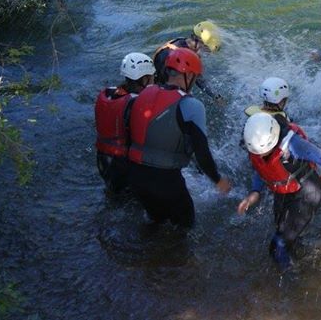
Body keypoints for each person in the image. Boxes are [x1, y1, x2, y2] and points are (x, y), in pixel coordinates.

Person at [237, 112, 321, 271]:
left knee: (278, 244)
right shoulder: (255, 145)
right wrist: (254, 193)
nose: (261, 155)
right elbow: (261, 168)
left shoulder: (294, 145)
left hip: (307, 192)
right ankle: (296, 254)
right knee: (281, 228)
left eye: (265, 152)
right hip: (283, 191)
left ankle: (290, 277)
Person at [127, 47, 231, 228]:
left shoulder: (142, 94)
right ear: (188, 76)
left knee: (154, 225)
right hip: (166, 181)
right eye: (195, 77)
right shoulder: (192, 105)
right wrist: (218, 180)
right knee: (184, 229)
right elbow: (202, 153)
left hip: (135, 177)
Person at [95, 52, 155, 194]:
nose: (154, 80)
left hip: (102, 160)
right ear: (145, 79)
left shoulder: (109, 93)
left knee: (115, 197)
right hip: (124, 163)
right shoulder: (137, 103)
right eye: (152, 77)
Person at [153, 21, 223, 101]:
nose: (207, 54)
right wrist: (217, 97)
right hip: (162, 93)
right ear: (199, 42)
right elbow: (199, 80)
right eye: (207, 50)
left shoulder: (181, 41)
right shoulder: (182, 57)